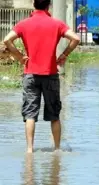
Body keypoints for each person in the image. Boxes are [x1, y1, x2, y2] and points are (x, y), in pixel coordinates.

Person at [3, 0, 80, 153]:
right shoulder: (56, 24)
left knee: (30, 113)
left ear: (33, 4)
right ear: (49, 5)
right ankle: (57, 149)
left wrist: (19, 56)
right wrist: (64, 54)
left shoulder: (24, 24)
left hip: (30, 74)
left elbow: (7, 40)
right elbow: (76, 38)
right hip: (50, 74)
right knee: (54, 115)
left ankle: (30, 150)